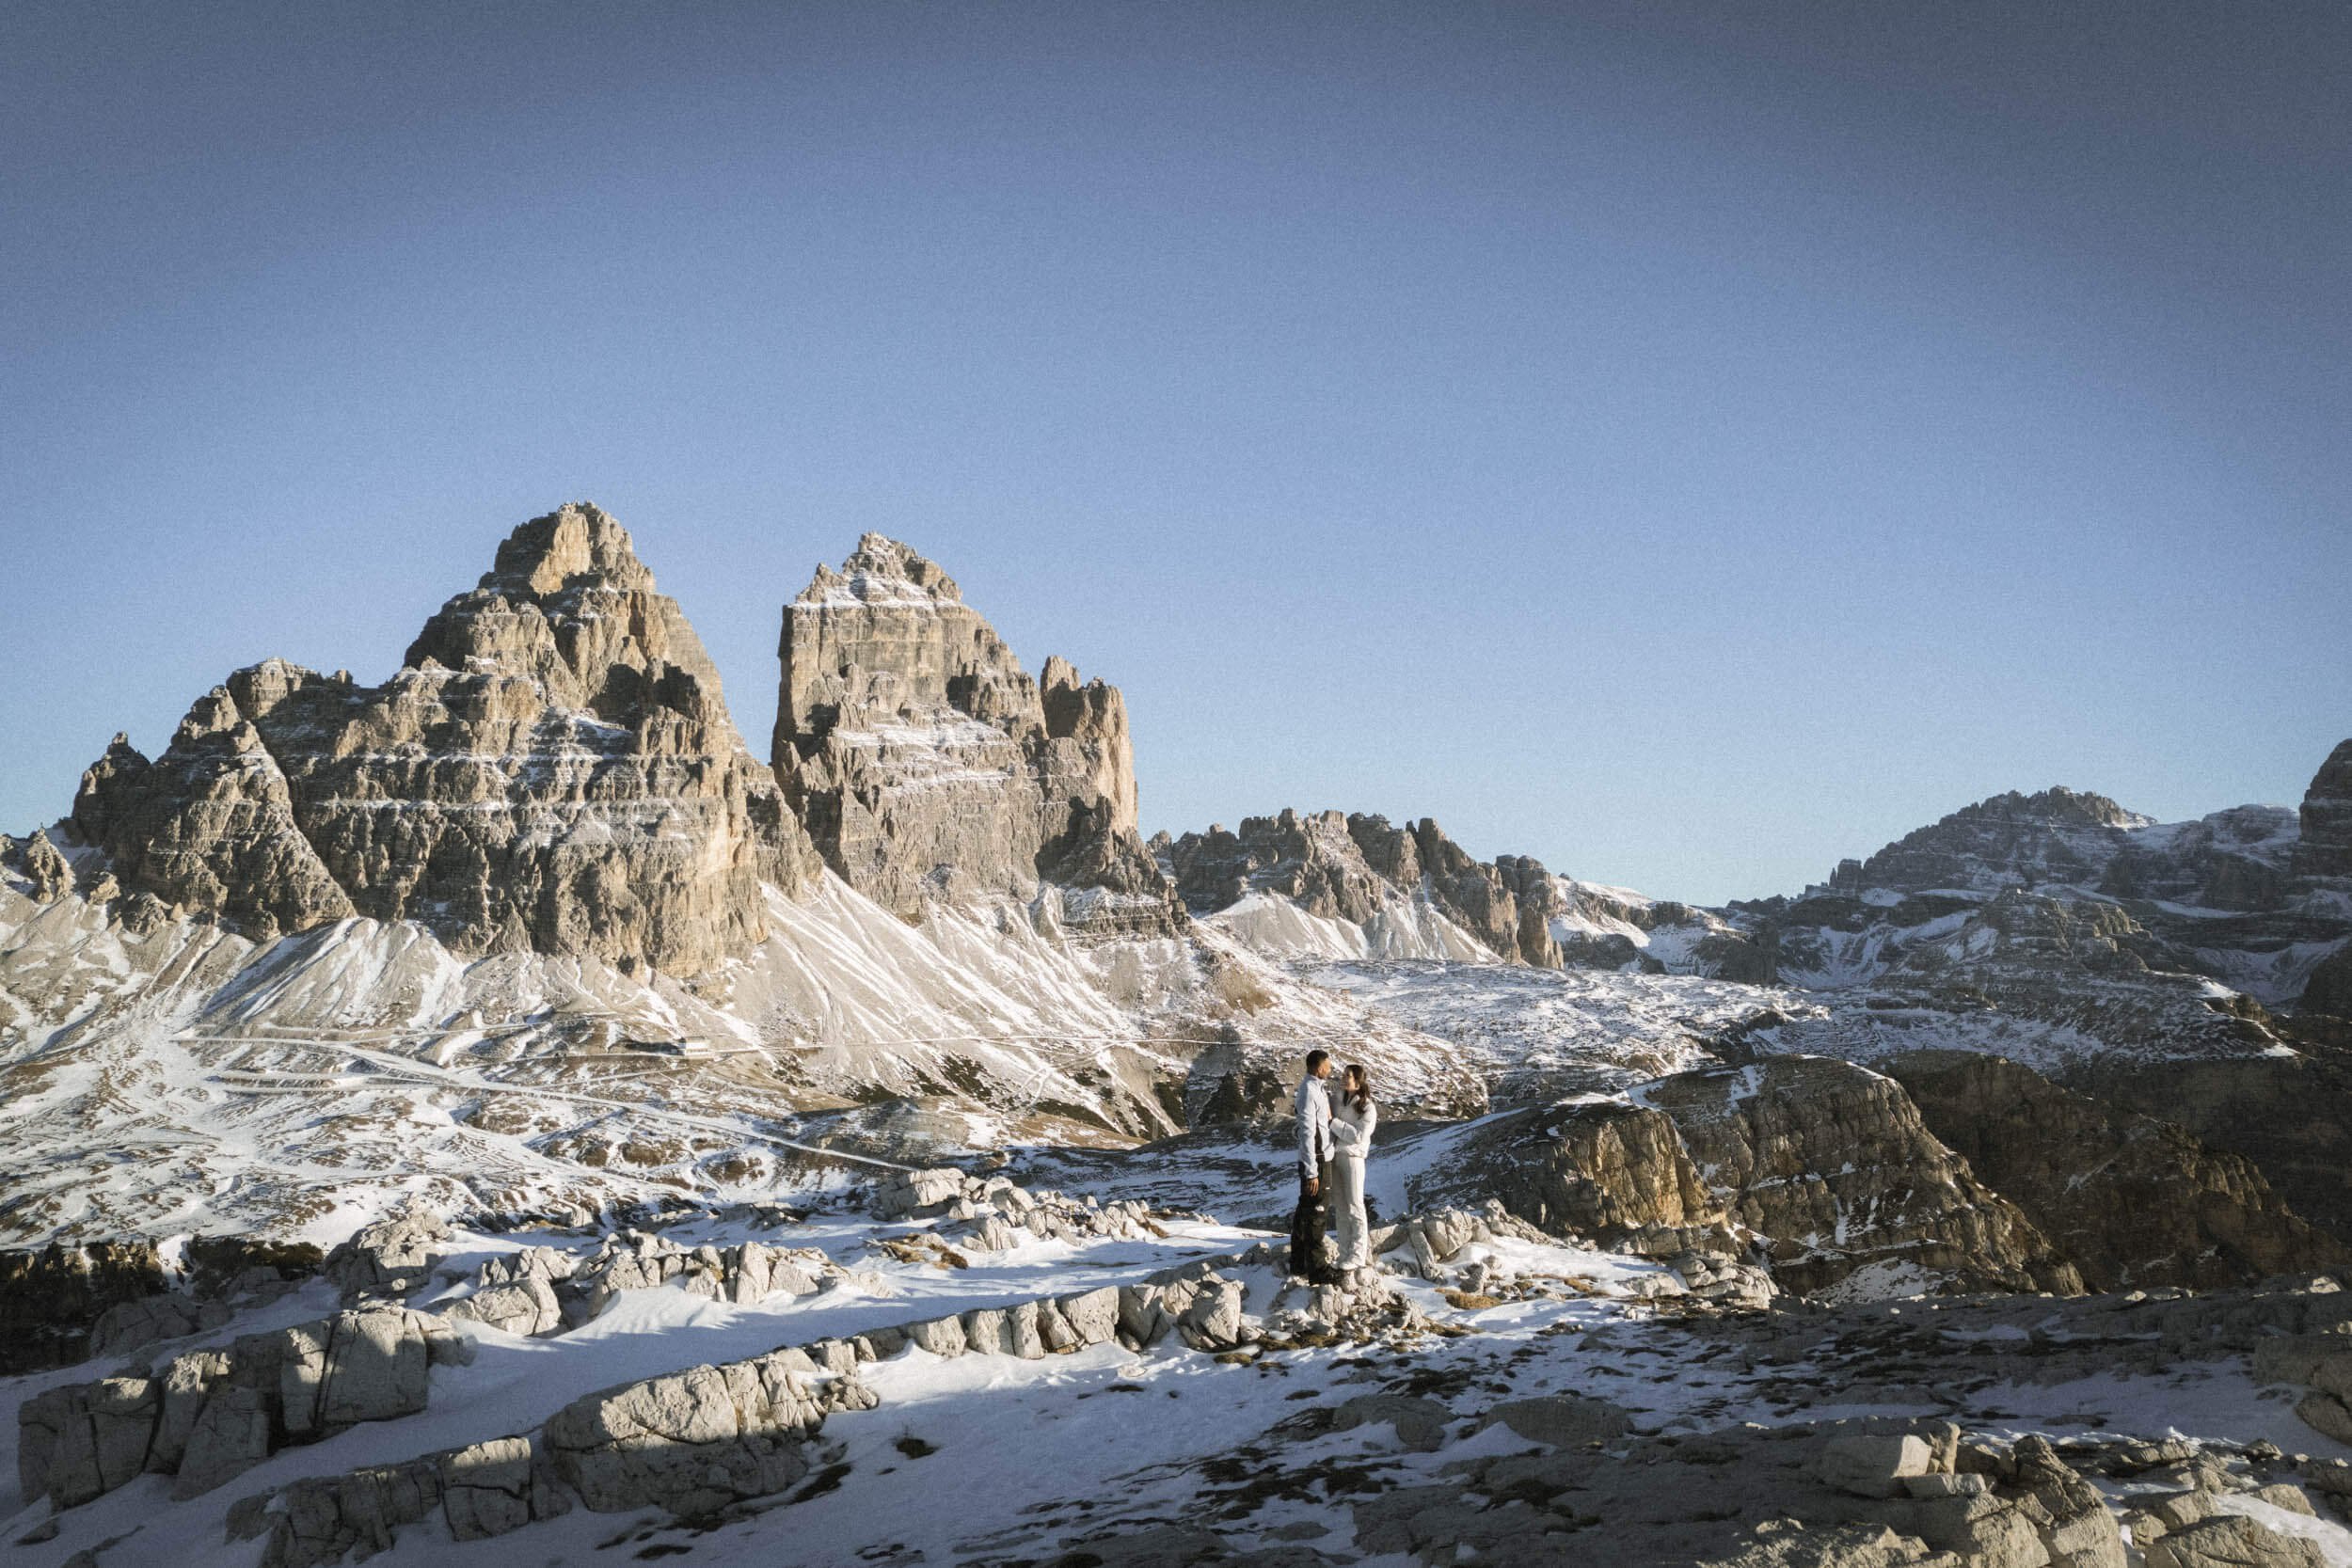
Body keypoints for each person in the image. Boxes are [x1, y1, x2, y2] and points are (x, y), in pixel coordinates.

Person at [1289, 1049, 1339, 1284]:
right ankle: (1318, 1271)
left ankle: (1298, 1263)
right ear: (1319, 1068)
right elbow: (1308, 1132)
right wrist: (1312, 1171)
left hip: (1318, 1156)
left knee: (1306, 1209)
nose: (1330, 1069)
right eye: (1328, 1065)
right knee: (1317, 1213)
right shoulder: (1310, 1091)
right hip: (1317, 1159)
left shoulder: (1316, 1088)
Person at [1328, 1063, 1377, 1278]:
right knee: (1340, 1206)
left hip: (1354, 1157)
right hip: (1335, 1155)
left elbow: (1359, 1136)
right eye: (1343, 1074)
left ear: (1358, 1081)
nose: (1343, 1078)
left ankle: (1358, 1254)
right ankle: (1343, 1253)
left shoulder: (1368, 1107)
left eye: (1347, 1076)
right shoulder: (1337, 1098)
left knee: (1355, 1205)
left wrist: (1334, 1123)